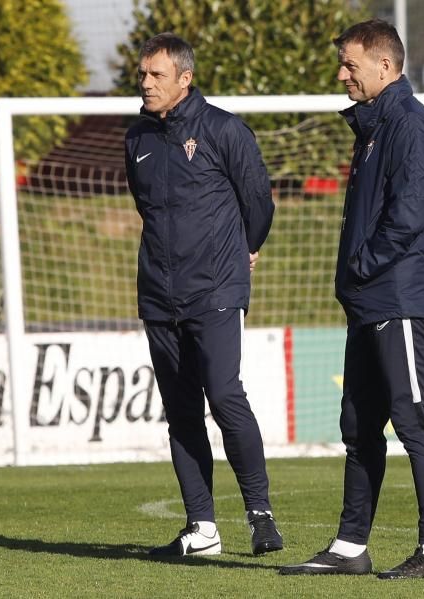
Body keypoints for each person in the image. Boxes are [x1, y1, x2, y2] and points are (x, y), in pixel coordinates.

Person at [279, 19, 424, 579]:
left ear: (386, 65)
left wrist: (360, 266)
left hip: (398, 299)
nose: (342, 75)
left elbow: (410, 218)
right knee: (358, 427)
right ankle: (351, 545)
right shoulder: (375, 128)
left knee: (413, 420)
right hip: (368, 303)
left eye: (350, 64)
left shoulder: (408, 124)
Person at [123, 32, 282, 557]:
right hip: (159, 295)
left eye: (157, 75)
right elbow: (148, 209)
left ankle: (260, 514)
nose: (146, 83)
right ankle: (202, 529)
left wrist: (246, 249)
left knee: (225, 394)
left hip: (215, 288)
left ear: (184, 79)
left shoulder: (224, 130)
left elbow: (258, 201)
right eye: (143, 74)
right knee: (181, 411)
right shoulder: (137, 139)